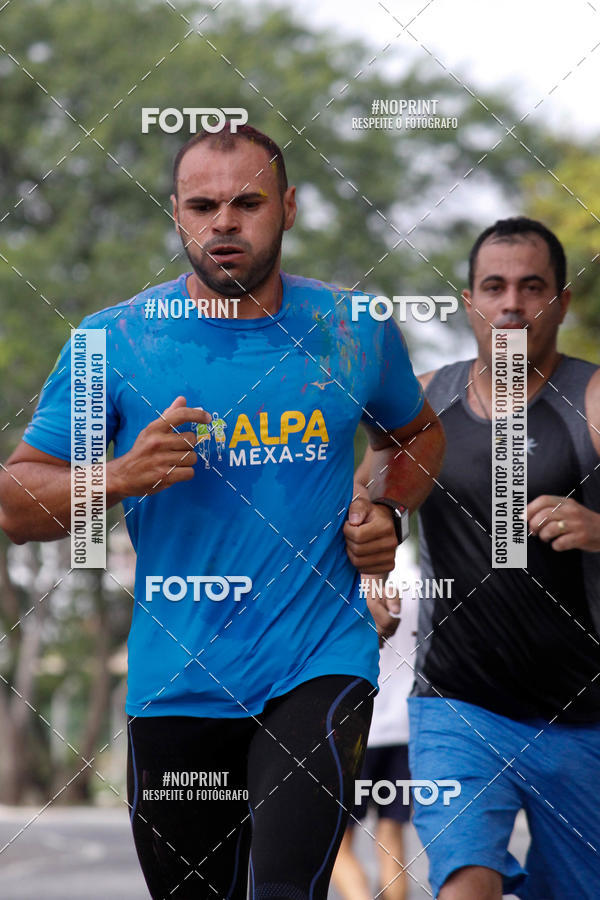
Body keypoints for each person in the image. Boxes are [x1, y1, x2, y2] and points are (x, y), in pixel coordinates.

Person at [0, 123, 445, 899]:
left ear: (289, 208)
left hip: (318, 661)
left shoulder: (353, 328)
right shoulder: (112, 342)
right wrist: (118, 476)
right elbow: (16, 503)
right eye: (203, 207)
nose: (224, 223)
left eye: (248, 203)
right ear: (176, 213)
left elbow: (416, 436)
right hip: (179, 677)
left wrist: (386, 506)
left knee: (285, 886)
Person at [356, 216, 600, 899]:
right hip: (456, 707)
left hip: (584, 718)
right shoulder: (425, 405)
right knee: (466, 882)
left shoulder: (591, 401)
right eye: (494, 287)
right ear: (470, 303)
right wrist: (371, 572)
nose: (512, 304)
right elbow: (363, 507)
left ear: (561, 302)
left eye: (532, 287)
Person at [332, 572, 419, 900]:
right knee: (391, 834)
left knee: (338, 843)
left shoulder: (344, 578)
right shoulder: (418, 579)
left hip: (355, 727)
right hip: (404, 726)